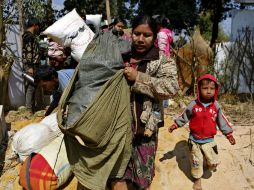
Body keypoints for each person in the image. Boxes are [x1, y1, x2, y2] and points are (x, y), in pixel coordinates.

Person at [111, 15, 179, 190]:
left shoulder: (162, 60)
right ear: (130, 34)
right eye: (137, 33)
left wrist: (138, 78)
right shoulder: (120, 56)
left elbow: (171, 88)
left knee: (141, 181)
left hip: (145, 130)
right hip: (118, 128)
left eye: (147, 35)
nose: (140, 39)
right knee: (118, 177)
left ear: (155, 36)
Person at [168, 74, 236, 190]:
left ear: (215, 90)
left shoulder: (216, 106)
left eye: (212, 89)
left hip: (209, 140)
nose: (209, 91)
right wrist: (176, 124)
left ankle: (208, 162)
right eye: (205, 88)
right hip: (194, 140)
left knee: (213, 162)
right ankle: (197, 179)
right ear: (199, 89)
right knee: (196, 162)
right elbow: (184, 116)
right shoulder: (193, 105)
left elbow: (222, 121)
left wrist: (229, 134)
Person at [22, 18, 41, 112]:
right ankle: (29, 110)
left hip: (33, 65)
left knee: (33, 86)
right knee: (31, 87)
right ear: (34, 25)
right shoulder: (29, 36)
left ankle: (32, 108)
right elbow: (28, 52)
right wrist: (30, 67)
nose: (38, 28)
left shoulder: (29, 36)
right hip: (31, 66)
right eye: (38, 26)